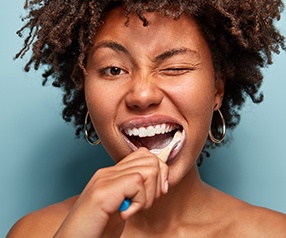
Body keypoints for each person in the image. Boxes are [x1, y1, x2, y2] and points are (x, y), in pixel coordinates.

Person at [7, 0, 286, 237]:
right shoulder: (37, 232)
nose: (141, 94)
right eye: (114, 69)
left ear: (217, 90)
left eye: (175, 67)